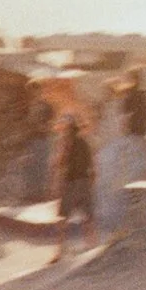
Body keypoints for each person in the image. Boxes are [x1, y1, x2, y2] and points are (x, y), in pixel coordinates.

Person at [50, 104, 95, 261]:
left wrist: (57, 183)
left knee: (63, 219)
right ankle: (91, 245)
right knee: (87, 217)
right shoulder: (84, 143)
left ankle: (60, 251)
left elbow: (60, 164)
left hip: (70, 182)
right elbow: (92, 165)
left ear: (68, 128)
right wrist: (90, 182)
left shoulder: (66, 143)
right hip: (83, 181)